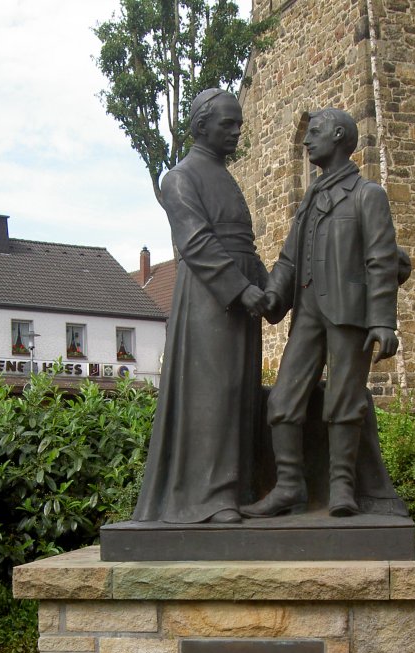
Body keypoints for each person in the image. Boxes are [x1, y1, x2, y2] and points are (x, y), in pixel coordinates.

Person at [243, 108, 403, 518]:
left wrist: (383, 320)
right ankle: (289, 487)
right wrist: (274, 297)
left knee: (344, 400)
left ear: (338, 136)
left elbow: (382, 261)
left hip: (349, 315)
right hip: (309, 314)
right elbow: (289, 259)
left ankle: (343, 489)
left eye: (314, 133)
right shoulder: (310, 200)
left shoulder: (368, 195)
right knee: (281, 399)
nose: (306, 140)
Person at [133, 89, 267, 524]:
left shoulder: (225, 177)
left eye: (238, 123)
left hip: (239, 296)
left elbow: (243, 243)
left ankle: (238, 488)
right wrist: (242, 289)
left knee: (241, 391)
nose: (236, 131)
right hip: (211, 299)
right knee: (216, 392)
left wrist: (269, 286)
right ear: (201, 125)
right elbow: (196, 241)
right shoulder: (181, 177)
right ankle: (210, 498)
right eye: (228, 123)